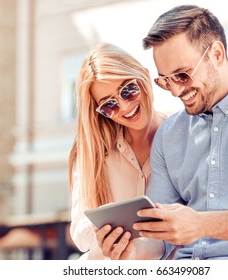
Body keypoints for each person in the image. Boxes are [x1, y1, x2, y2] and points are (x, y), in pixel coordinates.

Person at [96, 5, 228, 260]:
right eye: (165, 81)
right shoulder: (169, 135)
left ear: (217, 53)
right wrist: (130, 251)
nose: (176, 91)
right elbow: (160, 238)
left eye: (182, 75)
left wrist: (202, 224)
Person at [68, 43, 166, 259]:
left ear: (145, 76)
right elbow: (80, 231)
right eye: (109, 105)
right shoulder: (94, 150)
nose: (124, 107)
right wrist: (104, 230)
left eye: (128, 90)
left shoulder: (183, 138)